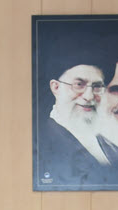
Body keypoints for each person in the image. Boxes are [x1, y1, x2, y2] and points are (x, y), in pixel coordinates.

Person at [36, 44, 110, 188]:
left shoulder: (109, 145)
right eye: (79, 84)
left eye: (97, 87)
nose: (89, 96)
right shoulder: (43, 142)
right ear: (56, 87)